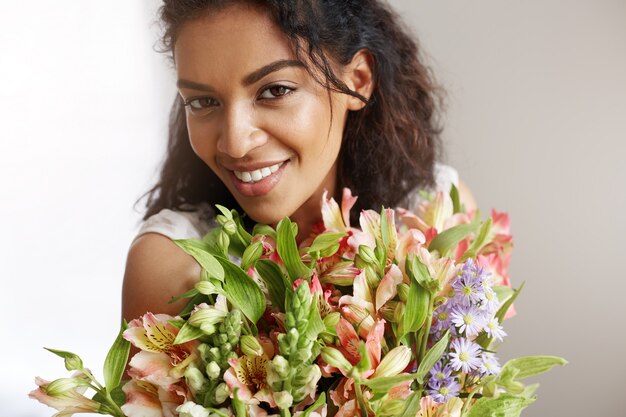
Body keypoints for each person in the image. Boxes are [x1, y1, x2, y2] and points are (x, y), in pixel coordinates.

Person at [122, 0, 476, 323]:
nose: (235, 143)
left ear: (358, 80)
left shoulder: (438, 221)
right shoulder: (172, 268)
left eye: (275, 91)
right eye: (202, 102)